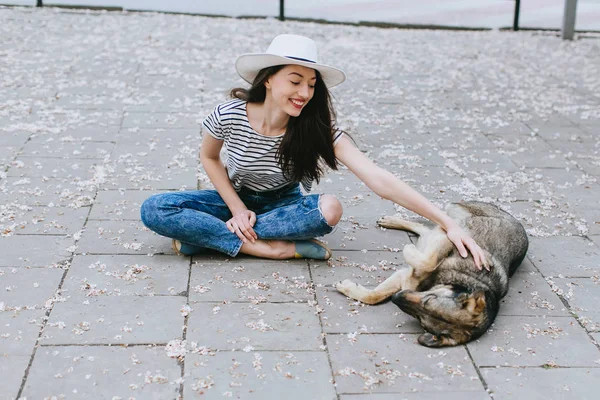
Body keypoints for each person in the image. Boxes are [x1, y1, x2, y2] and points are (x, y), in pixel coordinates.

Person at [140, 34, 487, 269]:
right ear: (268, 79)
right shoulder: (228, 114)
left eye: (310, 84)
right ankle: (266, 248)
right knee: (154, 208)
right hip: (232, 197)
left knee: (330, 209)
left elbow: (378, 179)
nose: (304, 92)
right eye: (295, 81)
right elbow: (209, 157)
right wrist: (237, 207)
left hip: (283, 205)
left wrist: (446, 222)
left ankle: (206, 238)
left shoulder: (317, 130)